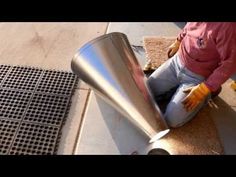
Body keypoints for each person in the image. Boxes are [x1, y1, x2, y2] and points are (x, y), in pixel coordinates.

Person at [145, 22, 236, 128]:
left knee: (171, 120)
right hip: (176, 63)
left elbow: (229, 64)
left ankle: (210, 92)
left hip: (197, 78)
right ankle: (176, 90)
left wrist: (205, 88)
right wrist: (178, 41)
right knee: (146, 91)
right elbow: (189, 26)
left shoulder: (229, 28)